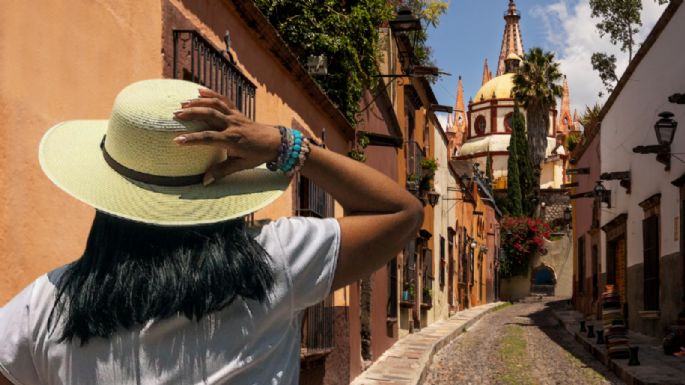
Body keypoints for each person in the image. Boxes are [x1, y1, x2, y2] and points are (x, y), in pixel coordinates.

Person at [0, 79, 423, 385]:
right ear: (222, 178)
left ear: (108, 191)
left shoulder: (45, 306)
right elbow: (401, 212)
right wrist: (286, 144)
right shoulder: (276, 261)